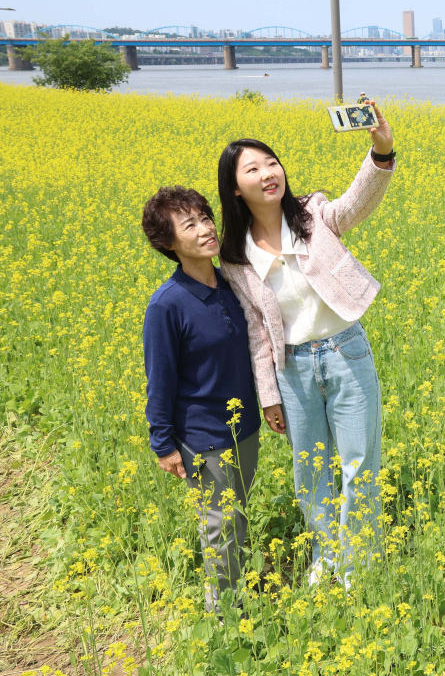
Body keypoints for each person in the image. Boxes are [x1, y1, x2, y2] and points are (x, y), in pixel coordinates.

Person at [216, 101, 395, 586]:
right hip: (291, 368)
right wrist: (268, 395)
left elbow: (357, 201)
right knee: (309, 471)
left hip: (345, 352)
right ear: (236, 187)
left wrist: (380, 150)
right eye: (252, 169)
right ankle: (326, 554)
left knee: (360, 463)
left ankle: (357, 564)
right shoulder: (236, 258)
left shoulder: (313, 215)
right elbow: (257, 333)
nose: (268, 173)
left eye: (272, 162)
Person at [141, 186, 260, 613]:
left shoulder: (231, 283)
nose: (206, 228)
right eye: (189, 224)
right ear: (168, 243)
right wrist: (163, 444)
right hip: (205, 437)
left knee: (237, 517)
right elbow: (160, 381)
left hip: (244, 429)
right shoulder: (166, 306)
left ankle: (238, 596)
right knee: (219, 527)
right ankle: (224, 617)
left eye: (206, 217)